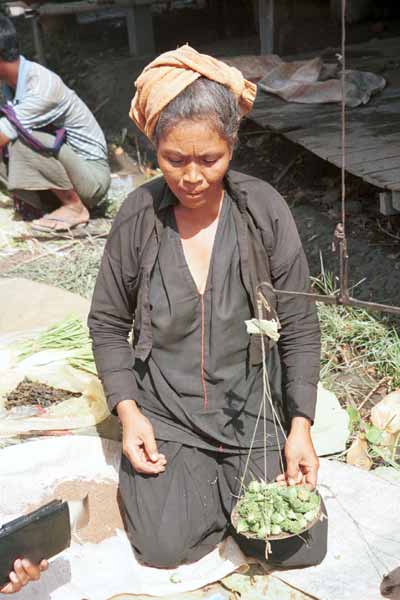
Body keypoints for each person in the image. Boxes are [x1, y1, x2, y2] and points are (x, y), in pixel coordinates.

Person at [88, 44, 328, 570]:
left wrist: (300, 425)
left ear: (233, 147)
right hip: (168, 413)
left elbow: (300, 327)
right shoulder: (138, 216)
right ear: (155, 147)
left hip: (250, 410)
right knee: (164, 549)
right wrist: (129, 412)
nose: (192, 176)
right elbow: (107, 324)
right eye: (175, 159)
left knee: (296, 545)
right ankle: (198, 481)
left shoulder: (263, 210)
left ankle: (218, 482)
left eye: (209, 159)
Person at [0, 16, 110, 232]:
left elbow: (4, 133)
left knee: (21, 138)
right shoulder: (9, 84)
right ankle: (51, 202)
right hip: (68, 170)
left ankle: (74, 207)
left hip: (92, 178)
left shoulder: (42, 86)